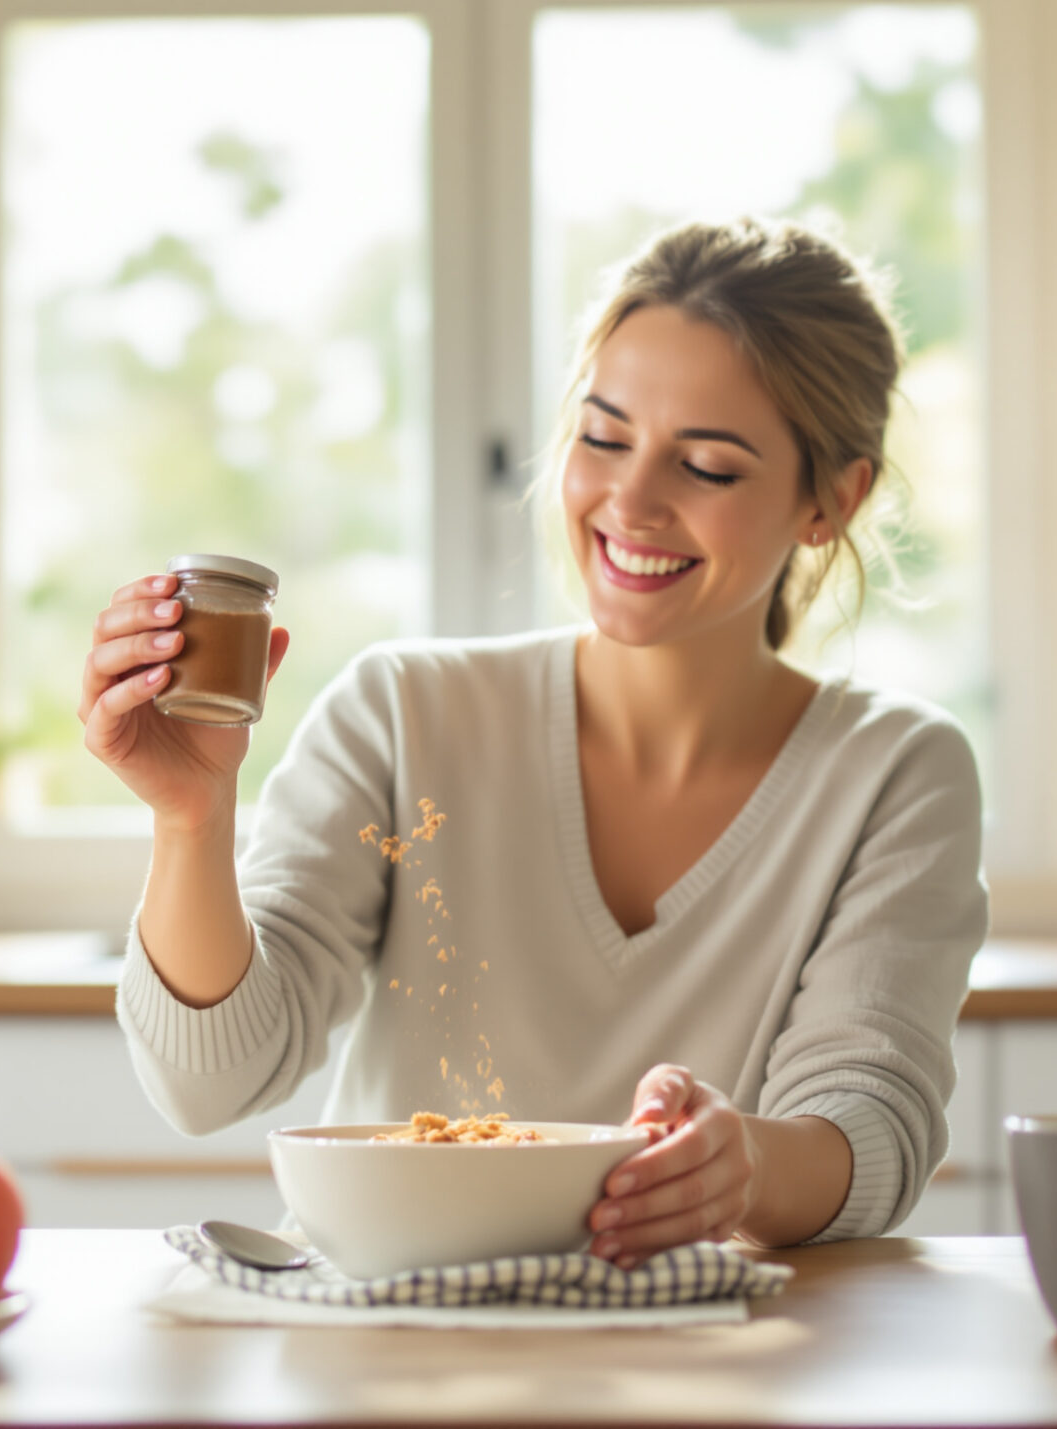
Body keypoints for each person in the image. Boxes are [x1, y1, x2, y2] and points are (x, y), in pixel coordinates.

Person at [78, 217, 987, 1266]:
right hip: (385, 1352)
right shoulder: (404, 713)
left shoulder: (893, 772)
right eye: (603, 438)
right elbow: (211, 1082)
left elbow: (870, 1117)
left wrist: (742, 1163)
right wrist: (191, 818)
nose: (629, 502)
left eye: (705, 465)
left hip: (696, 1357)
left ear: (832, 498)